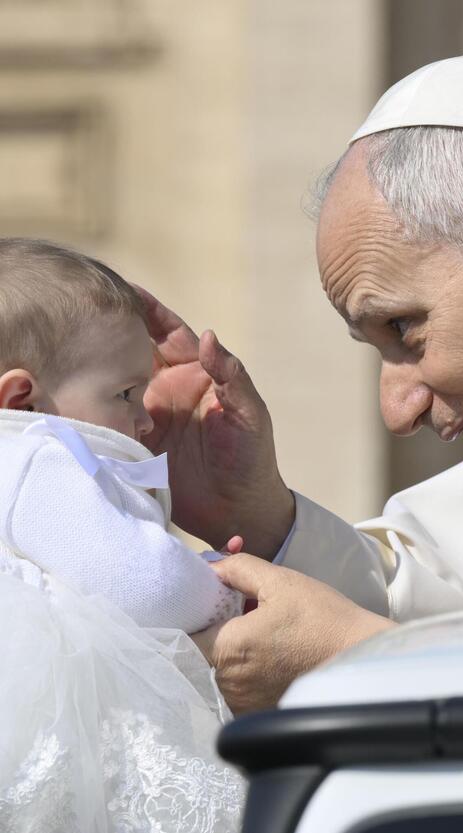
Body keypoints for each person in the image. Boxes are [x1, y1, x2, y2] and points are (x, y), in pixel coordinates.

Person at [134, 53, 463, 714]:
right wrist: (258, 512)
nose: (397, 409)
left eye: (406, 328)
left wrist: (366, 666)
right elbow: (436, 606)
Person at [0, 238, 244, 831]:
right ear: (22, 400)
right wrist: (222, 590)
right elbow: (144, 582)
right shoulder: (37, 453)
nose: (146, 416)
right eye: (125, 393)